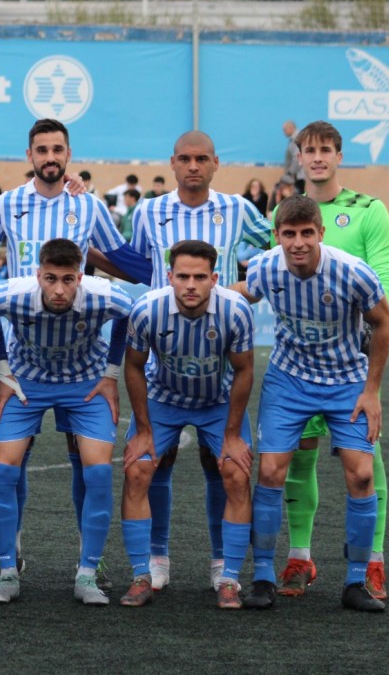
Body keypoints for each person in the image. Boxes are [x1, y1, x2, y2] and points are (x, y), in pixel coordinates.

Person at [0, 118, 149, 589]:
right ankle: (13, 551)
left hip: (81, 347)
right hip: (24, 349)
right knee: (13, 461)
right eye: (41, 149)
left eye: (57, 149)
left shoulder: (86, 205)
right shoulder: (8, 204)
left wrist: (170, 269)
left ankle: (89, 566)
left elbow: (120, 258)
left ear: (68, 154)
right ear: (29, 156)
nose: (49, 157)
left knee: (84, 462)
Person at [128, 130, 271, 593]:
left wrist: (242, 291)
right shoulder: (148, 211)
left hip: (219, 355)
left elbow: (276, 253)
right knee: (155, 465)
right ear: (172, 163)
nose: (193, 166)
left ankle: (220, 563)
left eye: (202, 159)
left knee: (223, 467)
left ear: (215, 163)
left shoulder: (240, 209)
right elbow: (135, 264)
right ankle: (156, 558)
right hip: (165, 350)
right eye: (185, 159)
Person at [235, 195, 389, 613]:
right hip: (290, 380)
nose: (298, 242)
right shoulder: (266, 267)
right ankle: (265, 576)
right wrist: (194, 292)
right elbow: (241, 294)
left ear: (321, 233)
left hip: (346, 382)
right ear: (277, 236)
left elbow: (383, 321)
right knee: (270, 471)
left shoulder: (351, 272)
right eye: (289, 234)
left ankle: (357, 581)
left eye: (307, 233)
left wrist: (371, 390)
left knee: (361, 476)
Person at [271, 121, 389, 600]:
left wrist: (369, 367)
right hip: (298, 364)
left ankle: (371, 567)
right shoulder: (282, 212)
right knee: (297, 462)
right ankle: (299, 559)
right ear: (298, 157)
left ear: (339, 156)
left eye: (326, 149)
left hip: (350, 363)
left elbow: (383, 282)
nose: (318, 157)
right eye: (309, 150)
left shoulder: (369, 210)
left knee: (365, 462)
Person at [0, 238, 134, 605]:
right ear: (38, 275)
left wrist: (111, 374)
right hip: (27, 381)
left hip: (84, 383)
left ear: (80, 277)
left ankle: (87, 574)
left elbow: (128, 316)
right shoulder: (11, 296)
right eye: (50, 279)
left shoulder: (105, 296)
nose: (59, 289)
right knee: (4, 470)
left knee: (98, 472)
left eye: (68, 279)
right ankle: (6, 572)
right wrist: (3, 372)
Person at [119, 240, 255, 609]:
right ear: (169, 277)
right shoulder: (147, 310)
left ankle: (228, 577)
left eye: (199, 277)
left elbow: (244, 370)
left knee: (237, 474)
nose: (191, 284)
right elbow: (133, 365)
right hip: (164, 400)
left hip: (217, 402)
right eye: (183, 276)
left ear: (215, 278)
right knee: (137, 471)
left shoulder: (236, 310)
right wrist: (144, 430)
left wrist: (231, 434)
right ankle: (142, 573)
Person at [280, 120, 305, 194]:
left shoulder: (297, 139)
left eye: (284, 129)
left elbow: (296, 157)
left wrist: (291, 173)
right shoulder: (295, 138)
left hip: (299, 175)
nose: (284, 132)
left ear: (291, 128)